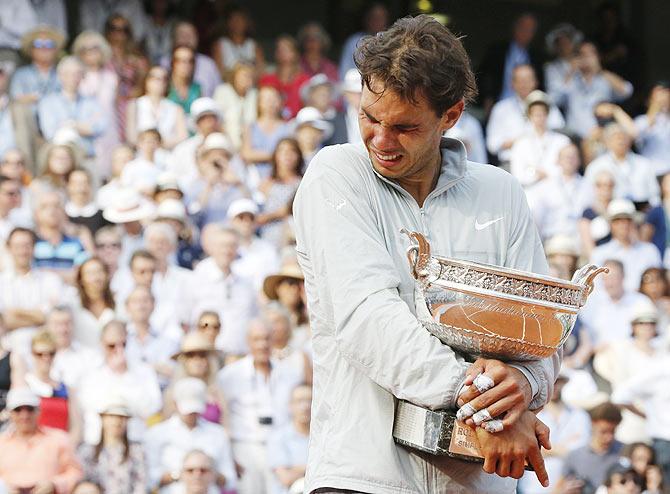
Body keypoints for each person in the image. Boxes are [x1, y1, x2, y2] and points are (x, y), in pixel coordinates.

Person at [293, 15, 558, 493]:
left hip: (480, 481)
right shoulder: (335, 174)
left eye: (404, 127)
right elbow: (367, 319)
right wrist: (487, 405)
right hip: (364, 476)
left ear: (451, 116)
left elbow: (540, 338)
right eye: (370, 118)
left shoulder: (502, 192)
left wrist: (524, 385)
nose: (380, 139)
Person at [217, 320, 304, 494]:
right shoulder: (230, 375)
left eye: (266, 339)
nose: (262, 344)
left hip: (281, 446)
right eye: (257, 339)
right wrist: (229, 455)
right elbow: (222, 416)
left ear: (273, 340)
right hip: (245, 445)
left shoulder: (290, 374)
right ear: (248, 341)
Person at [144, 377, 236, 493]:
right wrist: (180, 474)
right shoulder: (156, 434)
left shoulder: (217, 433)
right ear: (175, 404)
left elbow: (230, 480)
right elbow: (149, 479)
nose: (192, 415)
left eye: (195, 410)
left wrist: (206, 473)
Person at [78, 320, 162, 445]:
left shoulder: (143, 371)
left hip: (134, 443)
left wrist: (126, 376)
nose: (118, 350)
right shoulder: (90, 372)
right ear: (102, 344)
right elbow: (89, 405)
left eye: (123, 344)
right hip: (97, 444)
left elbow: (151, 407)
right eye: (112, 346)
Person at [186, 225, 256, 356]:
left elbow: (253, 318)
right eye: (223, 245)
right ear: (213, 247)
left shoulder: (246, 283)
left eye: (232, 246)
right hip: (206, 356)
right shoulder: (198, 277)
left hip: (239, 355)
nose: (227, 250)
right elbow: (186, 318)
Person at [517, 373, 591, 493]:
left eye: (557, 381)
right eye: (551, 381)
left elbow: (582, 452)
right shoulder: (530, 414)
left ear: (564, 383)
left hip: (569, 486)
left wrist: (546, 449)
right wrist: (565, 448)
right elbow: (527, 449)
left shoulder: (580, 415)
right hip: (533, 486)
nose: (554, 385)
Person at [0, 387, 83, 492]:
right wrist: (6, 488)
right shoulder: (1, 443)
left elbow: (75, 472)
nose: (24, 415)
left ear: (38, 411)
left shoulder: (58, 439)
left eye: (29, 409)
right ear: (10, 413)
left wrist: (55, 485)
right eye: (18, 410)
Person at [0, 227, 67, 355]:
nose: (22, 251)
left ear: (34, 248)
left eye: (27, 245)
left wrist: (16, 312)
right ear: (9, 248)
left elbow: (52, 318)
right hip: (11, 351)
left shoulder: (50, 279)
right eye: (17, 246)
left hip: (48, 353)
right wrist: (38, 316)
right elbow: (5, 321)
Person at [486, 64, 564, 165]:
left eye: (527, 80)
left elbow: (560, 130)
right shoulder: (501, 109)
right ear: (512, 84)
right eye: (520, 81)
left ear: (535, 82)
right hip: (511, 163)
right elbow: (492, 145)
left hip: (545, 163)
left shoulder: (547, 103)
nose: (524, 84)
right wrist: (523, 141)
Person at [554, 41, 633, 138]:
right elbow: (556, 99)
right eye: (582, 54)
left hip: (602, 137)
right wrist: (571, 70)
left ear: (598, 56)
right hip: (575, 138)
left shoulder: (605, 78)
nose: (586, 58)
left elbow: (627, 91)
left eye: (591, 54)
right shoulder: (571, 80)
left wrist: (600, 70)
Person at [37, 56, 108, 160]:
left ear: (83, 76)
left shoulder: (92, 102)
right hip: (61, 160)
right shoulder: (48, 102)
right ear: (60, 75)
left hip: (87, 157)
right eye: (68, 73)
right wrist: (84, 127)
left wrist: (71, 125)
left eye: (78, 74)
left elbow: (101, 126)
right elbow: (50, 132)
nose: (73, 78)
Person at [72, 30, 120, 178]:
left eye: (94, 48)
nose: (90, 53)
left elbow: (116, 107)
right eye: (85, 49)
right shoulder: (76, 76)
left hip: (110, 130)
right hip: (85, 131)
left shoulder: (112, 77)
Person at [78, 396, 147, 494]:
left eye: (121, 417)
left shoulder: (136, 452)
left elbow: (140, 485)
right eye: (111, 416)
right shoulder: (87, 451)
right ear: (102, 418)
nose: (116, 422)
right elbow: (83, 484)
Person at [590, 199, 662, 293]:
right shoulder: (599, 253)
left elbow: (658, 284)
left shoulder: (650, 251)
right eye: (618, 220)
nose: (623, 225)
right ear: (610, 225)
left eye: (627, 220)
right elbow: (596, 288)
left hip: (643, 304)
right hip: (610, 305)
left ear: (633, 222)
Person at [580, 259, 652, 350]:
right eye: (606, 279)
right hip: (599, 356)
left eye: (613, 278)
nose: (610, 283)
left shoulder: (641, 302)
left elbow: (651, 334)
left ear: (623, 277)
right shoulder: (591, 303)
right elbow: (585, 337)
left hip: (633, 355)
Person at [527, 142, 591, 241]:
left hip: (580, 240)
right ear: (558, 161)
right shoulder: (544, 186)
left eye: (573, 156)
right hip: (553, 239)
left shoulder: (588, 186)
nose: (570, 160)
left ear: (579, 161)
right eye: (566, 157)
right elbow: (536, 217)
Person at [555, 403, 624, 494]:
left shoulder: (625, 452)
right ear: (592, 424)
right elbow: (556, 490)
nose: (609, 437)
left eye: (613, 431)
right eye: (603, 432)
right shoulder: (575, 456)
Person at [25, 330, 81, 441]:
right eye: (40, 354)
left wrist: (66, 449)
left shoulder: (65, 389)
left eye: (51, 353)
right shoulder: (26, 385)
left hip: (61, 448)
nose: (46, 358)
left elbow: (76, 426)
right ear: (32, 353)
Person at [478, 13, 544, 108]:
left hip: (527, 107)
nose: (525, 32)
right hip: (498, 102)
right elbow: (484, 75)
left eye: (530, 30)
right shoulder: (497, 50)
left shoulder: (537, 57)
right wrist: (487, 97)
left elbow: (540, 84)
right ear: (514, 28)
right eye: (523, 27)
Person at [585, 123, 660, 206]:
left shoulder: (644, 164)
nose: (620, 141)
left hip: (642, 211)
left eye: (623, 137)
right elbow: (589, 195)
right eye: (616, 138)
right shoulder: (596, 166)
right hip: (611, 212)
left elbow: (654, 195)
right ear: (607, 142)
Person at [509, 90, 571, 188]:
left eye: (542, 113)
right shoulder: (520, 144)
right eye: (535, 113)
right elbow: (517, 174)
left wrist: (547, 174)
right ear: (529, 115)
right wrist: (535, 175)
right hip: (530, 193)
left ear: (547, 114)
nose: (539, 117)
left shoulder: (562, 141)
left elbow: (568, 169)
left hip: (557, 192)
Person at [163, 331, 225, 423]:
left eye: (202, 355)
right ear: (184, 360)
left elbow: (225, 424)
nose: (197, 360)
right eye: (191, 355)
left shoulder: (217, 392)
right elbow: (168, 425)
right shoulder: (173, 393)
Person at [126, 65, 188, 150]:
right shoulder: (135, 105)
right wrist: (148, 145)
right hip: (141, 156)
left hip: (168, 157)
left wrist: (160, 143)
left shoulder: (176, 108)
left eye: (164, 79)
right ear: (146, 80)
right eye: (155, 78)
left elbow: (183, 137)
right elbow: (131, 138)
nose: (160, 82)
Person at [257, 138, 303, 247]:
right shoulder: (266, 183)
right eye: (282, 151)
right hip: (270, 237)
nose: (287, 155)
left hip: (295, 239)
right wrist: (280, 213)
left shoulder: (303, 183)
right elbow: (258, 217)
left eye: (292, 151)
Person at [227, 197, 280, 292]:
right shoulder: (225, 250)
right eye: (241, 218)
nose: (246, 222)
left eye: (250, 218)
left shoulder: (268, 249)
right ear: (231, 222)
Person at [268, 383, 312, 494]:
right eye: (299, 401)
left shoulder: (323, 438)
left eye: (310, 400)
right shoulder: (278, 437)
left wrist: (297, 469)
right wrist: (314, 469)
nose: (305, 406)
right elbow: (286, 478)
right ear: (290, 405)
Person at [9, 25, 64, 108]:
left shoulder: (63, 73)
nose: (44, 47)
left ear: (55, 50)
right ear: (31, 50)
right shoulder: (20, 75)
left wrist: (34, 98)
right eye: (38, 44)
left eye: (49, 44)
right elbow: (16, 101)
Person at [258, 36, 310, 119]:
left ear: (296, 54)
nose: (282, 52)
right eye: (279, 49)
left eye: (287, 49)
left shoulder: (305, 81)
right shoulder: (267, 79)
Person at [213, 62, 258, 151]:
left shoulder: (255, 95)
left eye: (250, 76)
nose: (247, 79)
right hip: (226, 144)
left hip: (250, 146)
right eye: (244, 76)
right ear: (234, 76)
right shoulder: (222, 91)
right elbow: (217, 120)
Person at [73, 256, 116, 348]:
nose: (96, 278)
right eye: (90, 273)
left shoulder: (118, 303)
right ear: (81, 279)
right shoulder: (72, 305)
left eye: (99, 271)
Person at [211, 6, 264, 78]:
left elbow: (260, 70)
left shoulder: (254, 45)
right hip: (227, 86)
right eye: (233, 20)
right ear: (228, 23)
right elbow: (218, 72)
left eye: (240, 20)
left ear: (246, 23)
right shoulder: (220, 44)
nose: (236, 24)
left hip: (251, 86)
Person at [634, 82, 670, 177]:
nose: (663, 99)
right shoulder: (640, 120)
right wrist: (655, 106)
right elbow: (639, 134)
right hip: (652, 172)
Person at [544, 23, 583, 108]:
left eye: (567, 42)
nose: (564, 46)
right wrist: (570, 72)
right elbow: (553, 98)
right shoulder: (551, 68)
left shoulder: (583, 61)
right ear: (556, 47)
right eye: (561, 43)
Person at [65, 168, 108, 235]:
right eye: (76, 183)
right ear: (68, 186)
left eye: (85, 183)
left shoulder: (103, 216)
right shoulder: (61, 215)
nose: (81, 188)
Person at [327, 68, 363, 146]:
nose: (358, 96)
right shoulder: (335, 121)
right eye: (353, 93)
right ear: (346, 94)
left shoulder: (376, 119)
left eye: (361, 93)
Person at [168, 45, 202, 115]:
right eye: (181, 61)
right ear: (173, 63)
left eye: (190, 61)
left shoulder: (197, 89)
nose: (186, 65)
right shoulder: (165, 86)